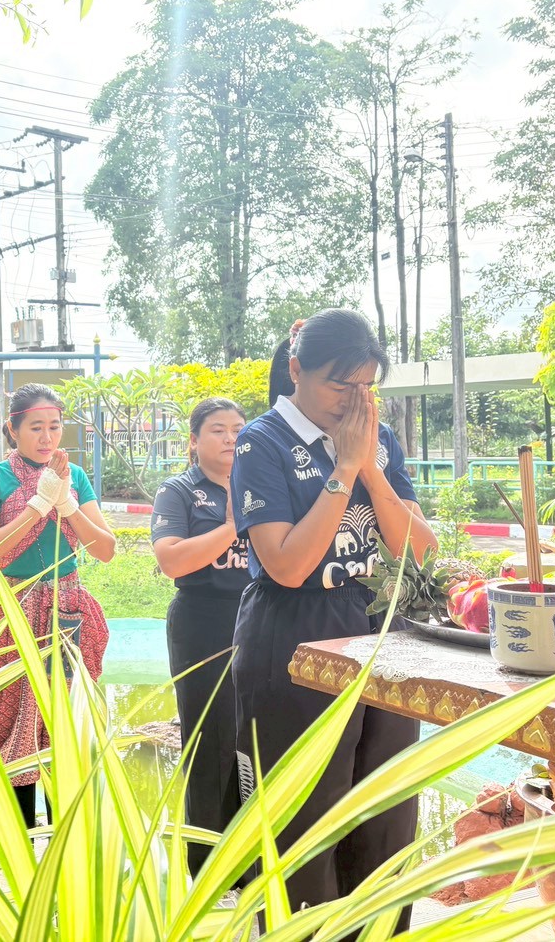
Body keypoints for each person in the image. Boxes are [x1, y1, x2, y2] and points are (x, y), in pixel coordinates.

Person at [230, 310, 437, 922]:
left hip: (380, 630)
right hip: (295, 633)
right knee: (303, 815)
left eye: (366, 386)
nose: (355, 400)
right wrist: (344, 470)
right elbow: (288, 565)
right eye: (340, 384)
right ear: (296, 370)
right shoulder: (262, 441)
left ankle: (379, 931)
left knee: (386, 807)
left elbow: (420, 551)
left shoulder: (378, 438)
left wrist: (370, 465)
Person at [0, 383, 117, 830]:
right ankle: (19, 842)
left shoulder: (77, 478)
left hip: (66, 612)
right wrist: (38, 504)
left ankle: (63, 842)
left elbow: (105, 549)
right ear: (13, 429)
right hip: (12, 612)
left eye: (54, 426)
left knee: (63, 726)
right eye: (36, 427)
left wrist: (66, 502)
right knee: (12, 724)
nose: (47, 437)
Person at [150, 397, 248, 877]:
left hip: (260, 618)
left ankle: (248, 857)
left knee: (254, 738)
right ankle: (206, 865)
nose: (230, 438)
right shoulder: (180, 491)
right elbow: (171, 560)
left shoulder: (260, 483)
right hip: (202, 621)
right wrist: (230, 527)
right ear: (193, 440)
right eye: (217, 429)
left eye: (238, 429)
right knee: (209, 742)